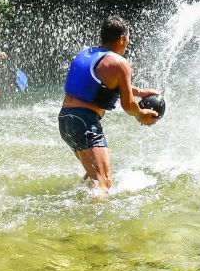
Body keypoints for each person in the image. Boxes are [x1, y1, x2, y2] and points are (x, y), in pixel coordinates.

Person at [58, 16, 159, 191]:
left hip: (66, 120)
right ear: (122, 39)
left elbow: (99, 83)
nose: (128, 43)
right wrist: (142, 115)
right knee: (103, 182)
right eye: (128, 38)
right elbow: (128, 106)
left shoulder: (87, 53)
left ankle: (78, 205)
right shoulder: (120, 63)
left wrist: (140, 92)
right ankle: (92, 218)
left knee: (93, 176)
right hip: (84, 121)